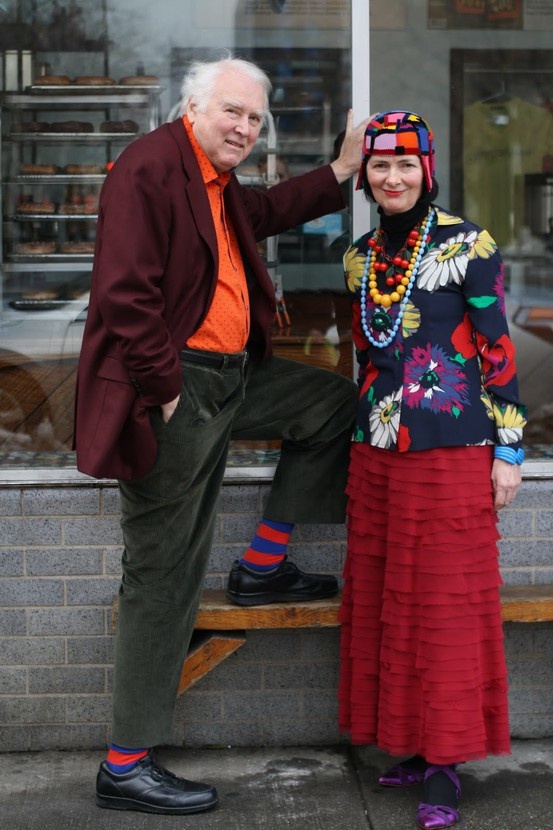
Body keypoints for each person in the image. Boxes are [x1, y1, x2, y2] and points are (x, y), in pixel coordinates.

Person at [74, 55, 368, 815]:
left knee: (331, 405)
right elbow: (122, 295)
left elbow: (264, 210)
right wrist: (164, 388)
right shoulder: (148, 168)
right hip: (177, 387)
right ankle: (125, 763)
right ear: (193, 108)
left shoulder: (213, 181)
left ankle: (262, 565)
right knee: (164, 571)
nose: (243, 127)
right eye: (231, 112)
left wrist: (340, 169)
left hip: (232, 376)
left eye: (253, 119)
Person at [338, 111, 527, 829]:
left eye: (404, 165)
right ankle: (413, 746)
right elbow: (368, 356)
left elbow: (496, 349)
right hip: (375, 450)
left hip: (452, 448)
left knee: (444, 607)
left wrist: (507, 449)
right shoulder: (357, 257)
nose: (391, 178)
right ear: (365, 175)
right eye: (379, 166)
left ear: (427, 168)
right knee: (392, 601)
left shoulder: (465, 242)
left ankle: (445, 765)